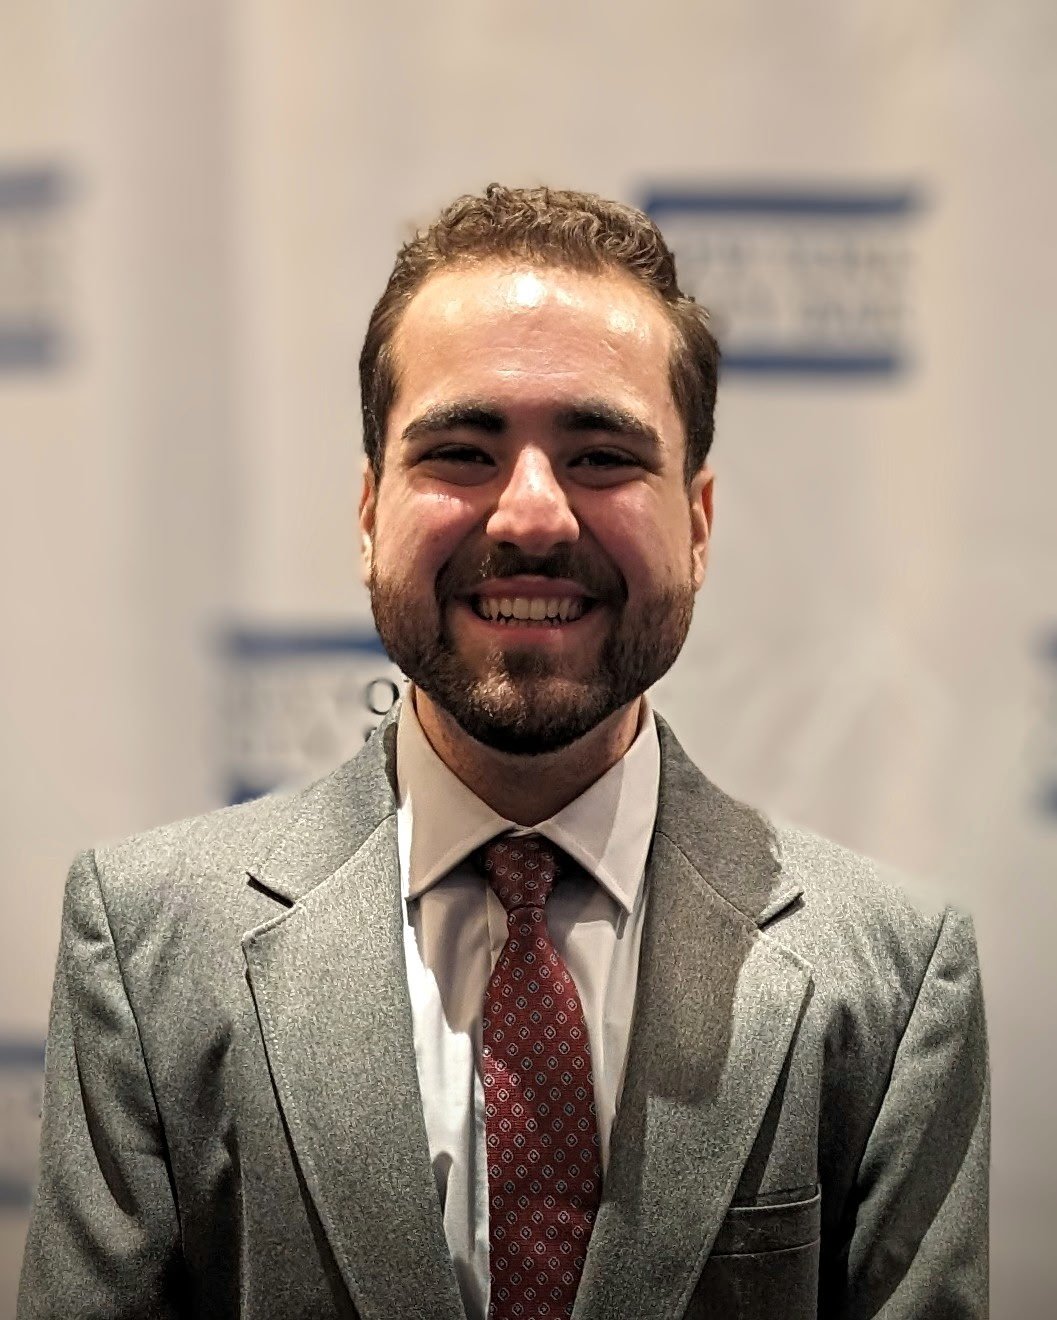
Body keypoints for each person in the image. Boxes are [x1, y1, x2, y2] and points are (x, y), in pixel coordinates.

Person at [18, 185, 989, 1320]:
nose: (531, 516)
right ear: (369, 512)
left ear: (698, 522)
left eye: (601, 456)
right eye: (463, 452)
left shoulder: (895, 978)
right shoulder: (146, 950)